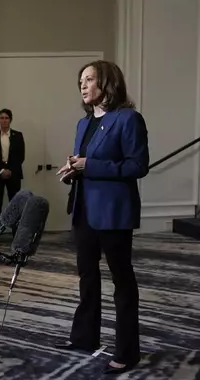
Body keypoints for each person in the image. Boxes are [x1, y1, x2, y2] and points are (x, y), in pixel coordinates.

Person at [55, 60, 148, 375]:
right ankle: (83, 338)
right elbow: (85, 163)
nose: (83, 85)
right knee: (87, 277)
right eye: (80, 80)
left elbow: (137, 166)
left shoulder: (128, 119)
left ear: (107, 83)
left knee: (122, 282)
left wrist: (88, 167)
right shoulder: (83, 123)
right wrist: (72, 171)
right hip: (84, 210)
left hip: (113, 213)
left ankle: (127, 351)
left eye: (90, 79)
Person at [0, 108, 25, 230]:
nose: (4, 120)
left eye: (6, 118)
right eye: (2, 118)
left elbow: (21, 156)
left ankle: (15, 233)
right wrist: (1, 170)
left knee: (15, 204)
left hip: (14, 174)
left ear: (10, 120)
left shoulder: (18, 136)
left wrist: (10, 170)